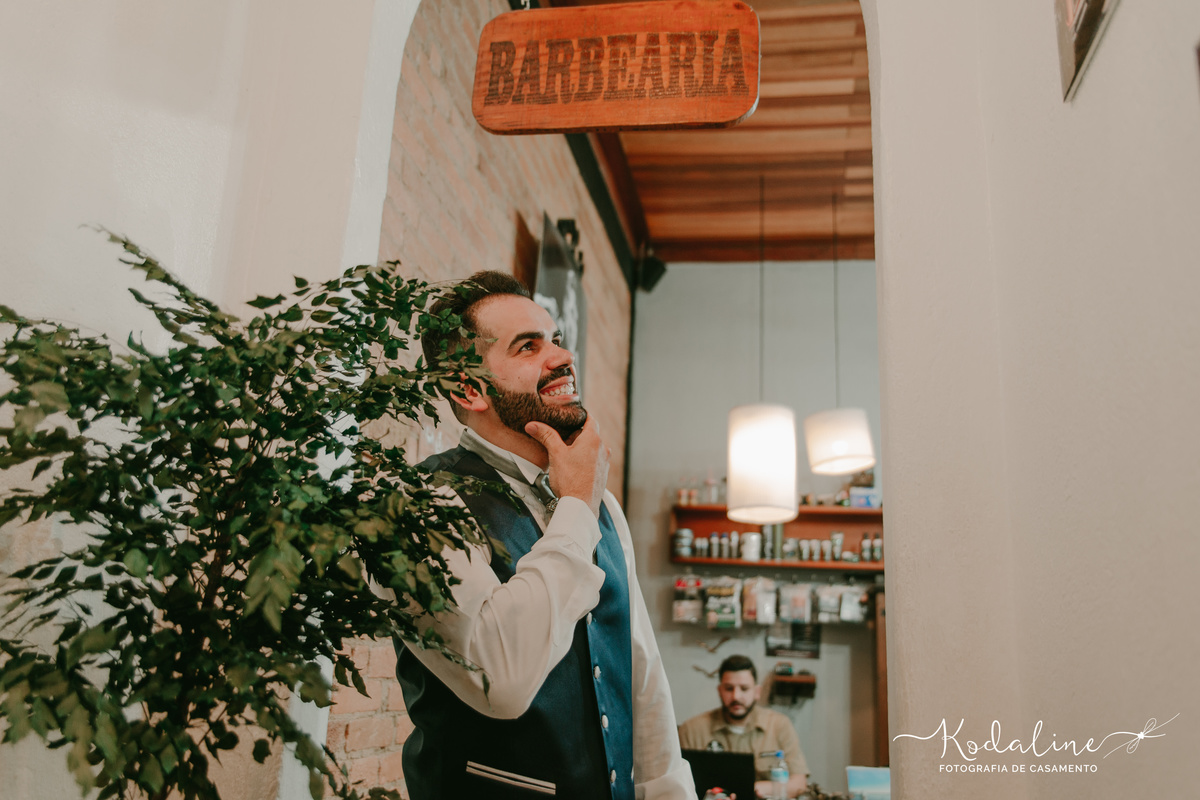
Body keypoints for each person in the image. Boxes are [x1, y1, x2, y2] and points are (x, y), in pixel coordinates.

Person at [390, 271, 695, 800]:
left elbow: (641, 676)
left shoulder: (605, 508)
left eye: (555, 339)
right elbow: (498, 680)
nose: (562, 357)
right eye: (528, 347)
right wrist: (576, 504)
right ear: (469, 387)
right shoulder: (418, 505)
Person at [677, 656, 808, 799]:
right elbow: (678, 786)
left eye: (744, 689)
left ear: (757, 692)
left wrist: (753, 787)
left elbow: (799, 784)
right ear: (720, 690)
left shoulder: (779, 725)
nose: (736, 696)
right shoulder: (692, 730)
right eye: (729, 688)